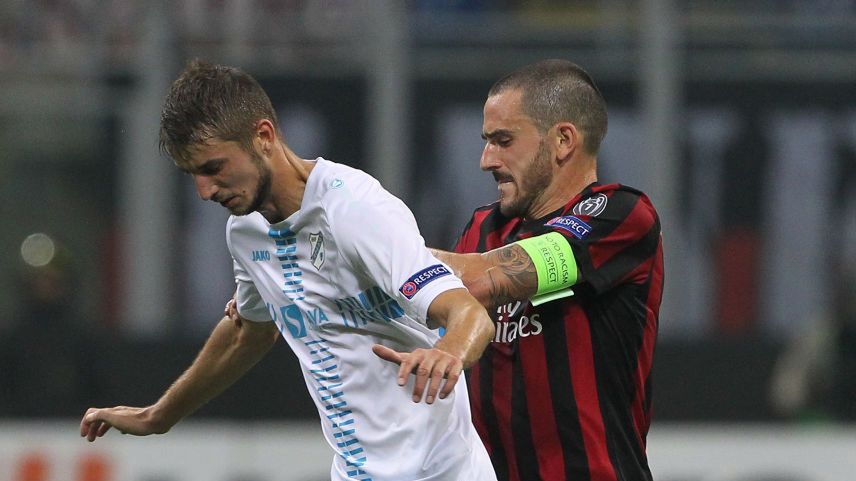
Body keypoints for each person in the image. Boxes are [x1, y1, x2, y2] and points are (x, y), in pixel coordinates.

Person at [79, 60, 497, 481]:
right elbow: (249, 329)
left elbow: (469, 315)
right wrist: (159, 416)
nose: (204, 191)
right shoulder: (245, 232)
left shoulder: (355, 211)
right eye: (193, 175)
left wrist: (448, 353)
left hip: (442, 472)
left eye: (213, 168)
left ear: (263, 137)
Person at [422, 59, 664, 480]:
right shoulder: (483, 228)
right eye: (486, 141)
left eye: (503, 140)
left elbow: (480, 278)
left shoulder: (620, 215)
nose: (486, 159)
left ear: (563, 140)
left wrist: (370, 246)